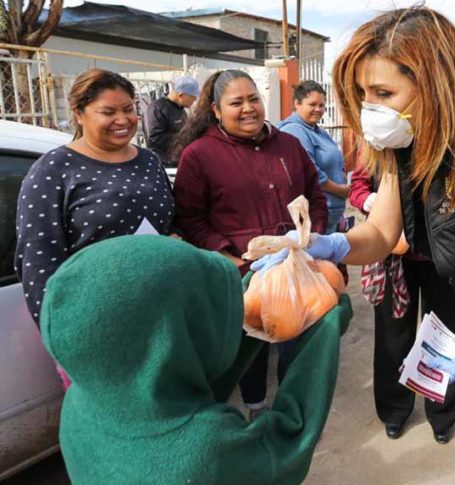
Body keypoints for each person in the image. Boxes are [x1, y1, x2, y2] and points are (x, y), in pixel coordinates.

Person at [253, 7, 455, 483]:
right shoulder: (404, 143)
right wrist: (322, 245)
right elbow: (381, 236)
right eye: (365, 94)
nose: (371, 106)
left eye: (384, 93)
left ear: (435, 82)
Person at [40, 235, 352, 484]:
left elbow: (190, 359)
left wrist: (254, 297)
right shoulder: (202, 450)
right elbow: (288, 441)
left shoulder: (84, 403)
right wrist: (322, 331)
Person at [172, 69, 328, 421]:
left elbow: (314, 197)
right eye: (236, 102)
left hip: (296, 267)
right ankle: (256, 408)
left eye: (253, 99)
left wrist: (312, 238)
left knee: (298, 342)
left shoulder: (289, 146)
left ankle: (293, 411)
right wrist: (227, 257)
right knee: (250, 351)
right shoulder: (199, 155)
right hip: (243, 273)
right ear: (215, 110)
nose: (248, 109)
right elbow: (189, 217)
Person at [15, 68, 174, 327]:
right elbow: (38, 261)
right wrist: (62, 330)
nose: (123, 120)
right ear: (79, 114)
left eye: (128, 109)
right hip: (91, 318)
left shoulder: (149, 161)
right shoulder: (53, 169)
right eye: (108, 112)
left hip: (157, 309)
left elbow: (170, 224)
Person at [349, 163, 455, 444]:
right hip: (393, 256)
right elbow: (357, 188)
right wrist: (370, 201)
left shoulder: (445, 141)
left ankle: (442, 412)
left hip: (442, 255)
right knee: (393, 335)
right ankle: (394, 410)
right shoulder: (380, 143)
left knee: (444, 335)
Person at [278, 80, 349, 234]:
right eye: (312, 104)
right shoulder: (295, 131)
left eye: (322, 105)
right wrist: (340, 190)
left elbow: (335, 160)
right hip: (316, 216)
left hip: (331, 214)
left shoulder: (317, 130)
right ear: (297, 103)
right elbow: (310, 172)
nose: (318, 109)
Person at [145, 75, 199, 166]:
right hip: (162, 162)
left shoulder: (181, 110)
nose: (195, 100)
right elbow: (155, 138)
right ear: (181, 95)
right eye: (193, 97)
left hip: (177, 159)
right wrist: (184, 137)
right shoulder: (157, 108)